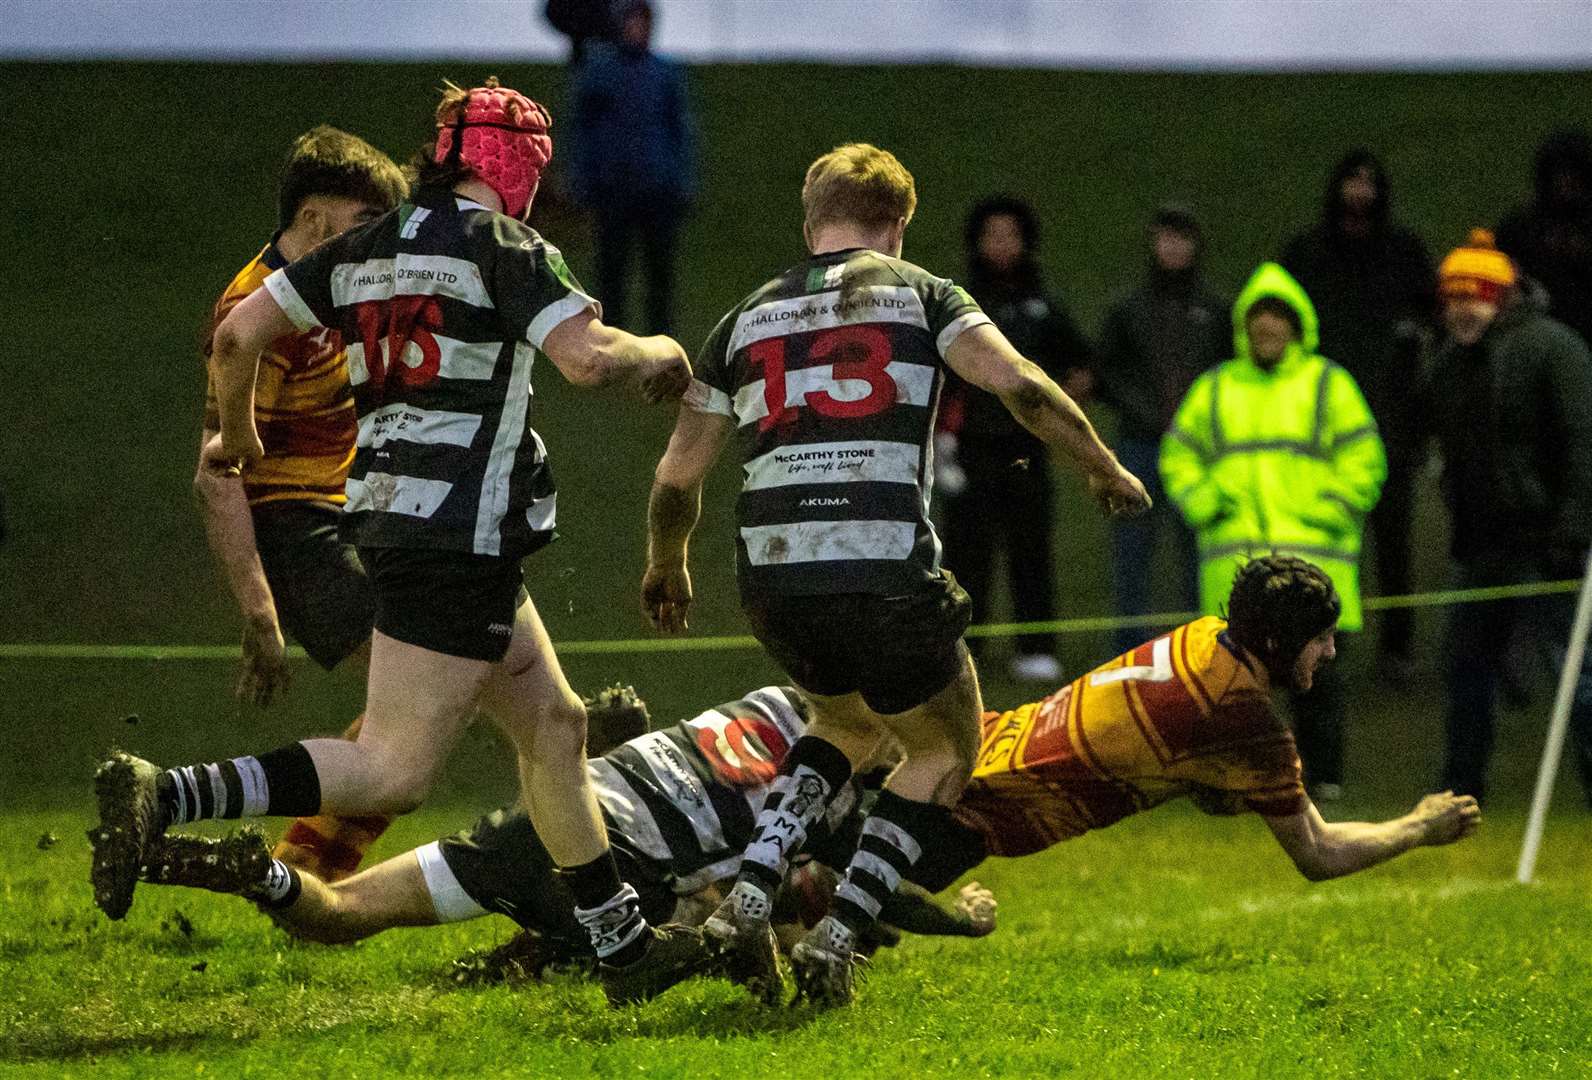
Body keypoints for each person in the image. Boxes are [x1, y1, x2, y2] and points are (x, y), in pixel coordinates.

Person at [90, 77, 699, 1005]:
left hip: (404, 521)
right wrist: (664, 351)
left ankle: (623, 949)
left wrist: (239, 433)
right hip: (456, 534)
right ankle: (167, 793)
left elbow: (238, 335)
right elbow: (587, 359)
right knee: (393, 770)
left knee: (557, 727)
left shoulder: (368, 245)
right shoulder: (506, 244)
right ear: (516, 168)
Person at [642, 142, 1149, 1004]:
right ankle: (836, 939)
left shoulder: (743, 318)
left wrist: (667, 565)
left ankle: (750, 893)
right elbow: (1021, 385)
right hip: (879, 568)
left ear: (811, 220)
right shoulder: (924, 294)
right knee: (949, 746)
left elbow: (676, 477)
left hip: (771, 575)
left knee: (843, 725)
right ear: (900, 226)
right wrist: (1101, 465)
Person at [138, 686, 995, 975]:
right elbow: (864, 893)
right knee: (728, 923)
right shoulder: (841, 796)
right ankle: (545, 955)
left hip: (549, 814)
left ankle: (262, 874)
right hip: (615, 874)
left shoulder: (773, 702)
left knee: (337, 916)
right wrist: (966, 919)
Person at [932, 556, 1480, 891]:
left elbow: (1177, 762)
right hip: (985, 810)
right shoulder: (1239, 717)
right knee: (857, 907)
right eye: (1319, 639)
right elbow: (1320, 852)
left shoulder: (1204, 635)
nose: (1332, 651)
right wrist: (1418, 828)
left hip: (975, 742)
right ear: (1275, 643)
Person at [195, 125, 407, 882]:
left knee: (422, 712)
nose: (377, 247)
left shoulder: (326, 288)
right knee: (424, 708)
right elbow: (215, 473)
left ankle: (293, 866)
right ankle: (282, 858)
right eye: (364, 227)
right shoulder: (251, 315)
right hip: (295, 527)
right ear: (315, 220)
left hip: (346, 513)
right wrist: (260, 613)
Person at [1160, 262, 1386, 802]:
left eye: (1277, 321)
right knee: (1231, 686)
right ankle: (1231, 781)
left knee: (1318, 681)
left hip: (1313, 563)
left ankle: (1322, 778)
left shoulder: (1328, 384)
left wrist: (1329, 509)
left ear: (1295, 327)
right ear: (1246, 328)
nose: (1268, 330)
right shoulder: (1215, 388)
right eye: (1259, 322)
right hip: (1238, 566)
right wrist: (1207, 504)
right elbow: (1178, 458)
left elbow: (1366, 459)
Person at [1424, 229, 1592, 804]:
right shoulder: (1446, 365)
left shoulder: (1555, 347)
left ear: (1501, 296)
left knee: (1578, 672)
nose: (1460, 311)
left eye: (1472, 297)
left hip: (1549, 544)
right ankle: (1461, 785)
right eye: (1451, 299)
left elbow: (1583, 442)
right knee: (1467, 669)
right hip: (1481, 549)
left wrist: (1573, 528)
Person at [1280, 150, 1437, 679]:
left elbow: (1429, 319)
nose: (1360, 192)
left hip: (1391, 418)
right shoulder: (1308, 251)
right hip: (1322, 421)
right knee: (1324, 540)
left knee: (1394, 541)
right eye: (1351, 180)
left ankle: (1397, 647)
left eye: (1369, 182)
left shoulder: (1404, 251)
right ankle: (1325, 643)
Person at [936, 195, 1092, 682]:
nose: (1002, 245)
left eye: (1011, 236)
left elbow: (1083, 365)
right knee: (965, 556)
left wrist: (1055, 410)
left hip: (1026, 451)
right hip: (969, 450)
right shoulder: (958, 306)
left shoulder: (1042, 306)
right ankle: (965, 649)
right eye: (992, 236)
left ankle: (1037, 648)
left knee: (1031, 549)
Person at [1093, 203, 1229, 655]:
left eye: (1182, 238)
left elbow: (1225, 371)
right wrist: (1142, 409)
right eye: (1166, 237)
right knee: (1132, 548)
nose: (1173, 247)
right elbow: (1106, 371)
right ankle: (1129, 646)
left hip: (1196, 450)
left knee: (1198, 549)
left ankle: (1203, 642)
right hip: (1139, 444)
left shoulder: (1215, 310)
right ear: (1154, 243)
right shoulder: (1129, 310)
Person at [567, 0, 695, 335]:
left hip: (657, 186)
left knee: (659, 272)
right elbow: (582, 128)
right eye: (634, 22)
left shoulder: (664, 73)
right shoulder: (600, 72)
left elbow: (680, 129)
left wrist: (681, 181)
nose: (639, 29)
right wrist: (583, 178)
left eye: (645, 22)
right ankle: (612, 337)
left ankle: (662, 338)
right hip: (613, 187)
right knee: (612, 269)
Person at [1496, 129, 1592, 348]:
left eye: (1573, 175)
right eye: (1559, 175)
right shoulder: (1520, 227)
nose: (1565, 184)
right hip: (1535, 329)